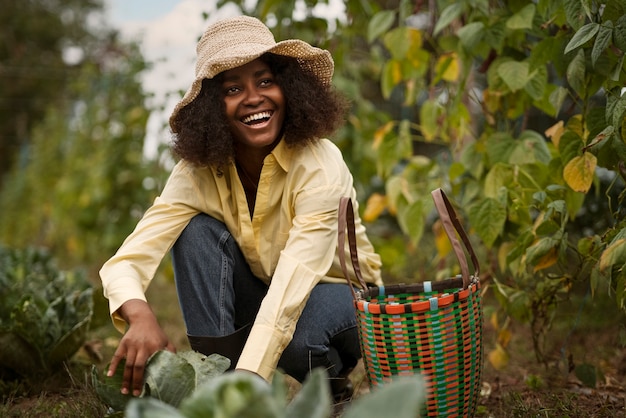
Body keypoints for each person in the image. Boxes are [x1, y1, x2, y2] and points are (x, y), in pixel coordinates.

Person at [99, 15, 382, 401]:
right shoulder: (197, 174)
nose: (253, 98)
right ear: (213, 107)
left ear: (288, 88)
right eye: (233, 89)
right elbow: (126, 260)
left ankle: (329, 387)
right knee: (195, 232)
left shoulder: (320, 165)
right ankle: (214, 383)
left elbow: (289, 292)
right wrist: (139, 314)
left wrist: (248, 384)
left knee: (300, 336)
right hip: (268, 290)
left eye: (265, 81)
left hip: (342, 296)